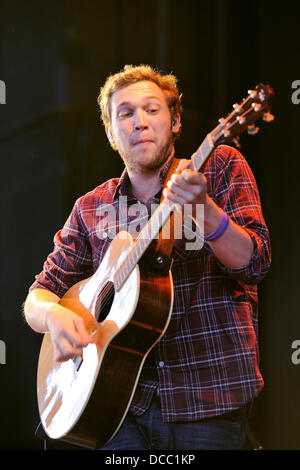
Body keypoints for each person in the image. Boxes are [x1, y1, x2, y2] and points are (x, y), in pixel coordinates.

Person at [23, 64, 271, 450]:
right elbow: (39, 295)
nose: (139, 122)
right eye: (125, 113)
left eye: (152, 110)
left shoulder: (218, 166)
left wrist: (204, 210)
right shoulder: (91, 207)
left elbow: (255, 264)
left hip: (207, 399)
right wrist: (55, 315)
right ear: (110, 132)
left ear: (174, 122)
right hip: (115, 409)